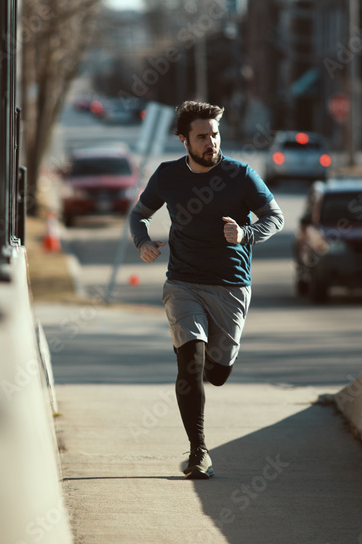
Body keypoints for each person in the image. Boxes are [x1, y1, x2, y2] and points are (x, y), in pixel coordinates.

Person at [128, 100, 284, 479]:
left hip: (231, 286)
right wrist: (142, 241)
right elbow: (139, 214)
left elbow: (274, 217)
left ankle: (216, 373)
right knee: (191, 362)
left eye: (214, 134)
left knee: (217, 373)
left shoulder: (241, 175)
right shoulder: (168, 176)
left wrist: (245, 234)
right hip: (182, 283)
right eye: (202, 137)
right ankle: (199, 452)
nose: (211, 142)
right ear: (184, 140)